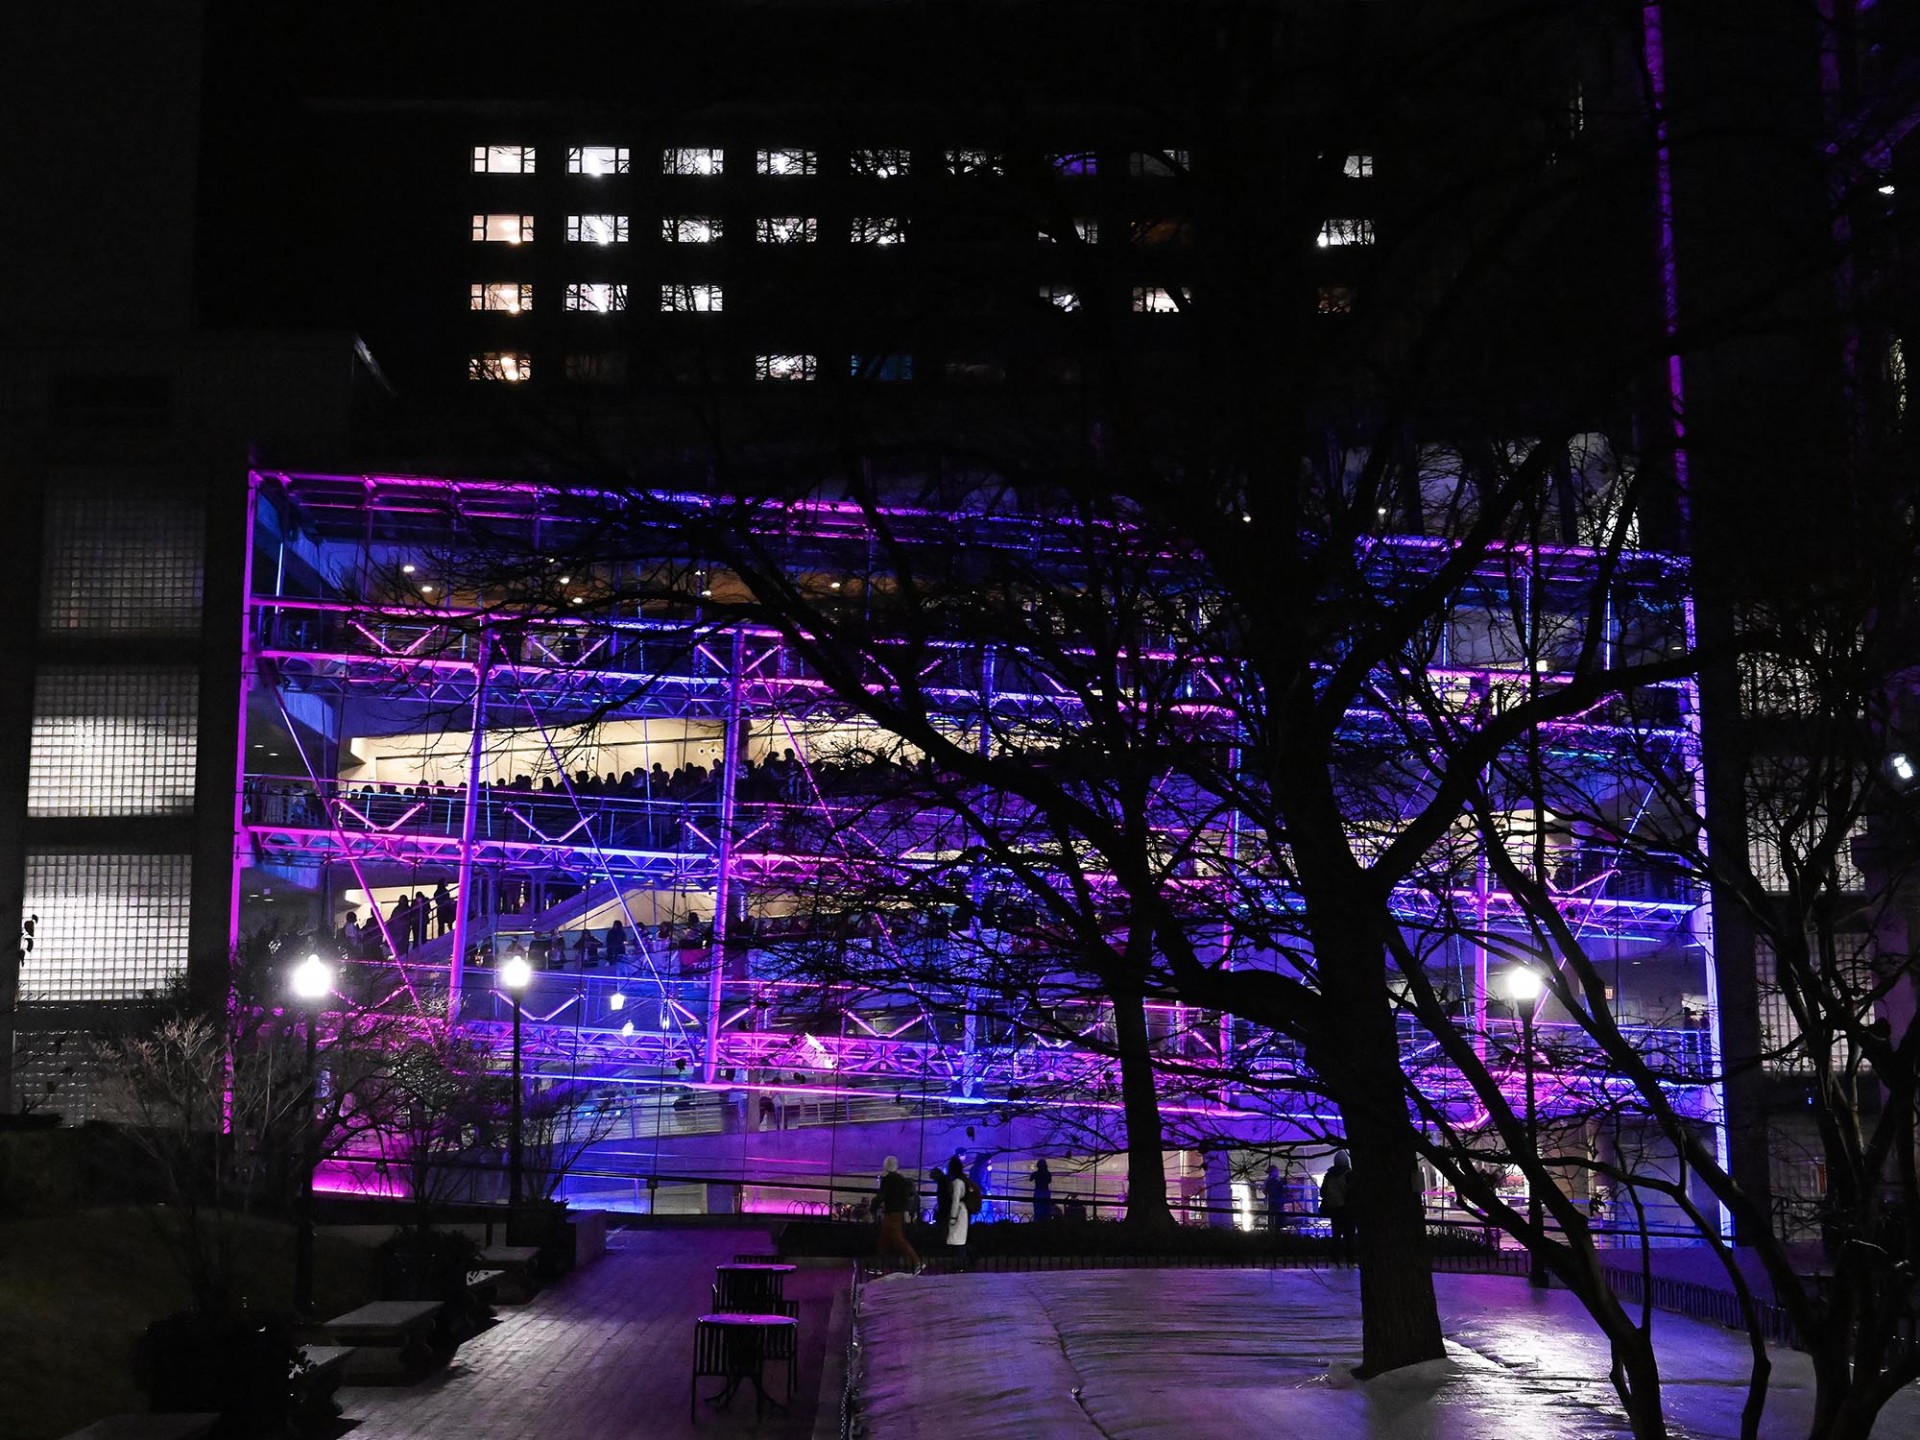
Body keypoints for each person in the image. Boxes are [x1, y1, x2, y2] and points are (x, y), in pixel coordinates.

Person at [872, 1156, 921, 1274]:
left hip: (891, 1213)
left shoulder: (888, 1179)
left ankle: (917, 1262)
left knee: (897, 1240)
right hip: (898, 1213)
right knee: (884, 1239)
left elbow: (881, 1196)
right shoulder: (902, 1179)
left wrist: (872, 1207)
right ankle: (878, 1265)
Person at [1320, 1149, 1355, 1266]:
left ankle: (1335, 1258)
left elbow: (1322, 1192)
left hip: (1333, 1208)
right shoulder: (1348, 1174)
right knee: (1349, 1235)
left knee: (1336, 1234)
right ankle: (1351, 1259)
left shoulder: (1329, 1175)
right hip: (1346, 1208)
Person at [945, 1155, 971, 1267]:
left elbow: (955, 1200)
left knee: (957, 1241)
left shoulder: (956, 1182)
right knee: (961, 1240)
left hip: (959, 1213)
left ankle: (960, 1265)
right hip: (963, 1212)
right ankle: (962, 1264)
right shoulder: (963, 1180)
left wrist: (953, 1217)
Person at [1264, 1164, 1286, 1236]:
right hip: (1276, 1202)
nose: (1278, 1172)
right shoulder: (1273, 1181)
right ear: (1273, 1172)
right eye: (1276, 1171)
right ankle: (1276, 1233)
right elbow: (1279, 1190)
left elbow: (1265, 1191)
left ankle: (1274, 1232)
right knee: (1277, 1219)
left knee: (1273, 1218)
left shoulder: (1268, 1181)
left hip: (1274, 1202)